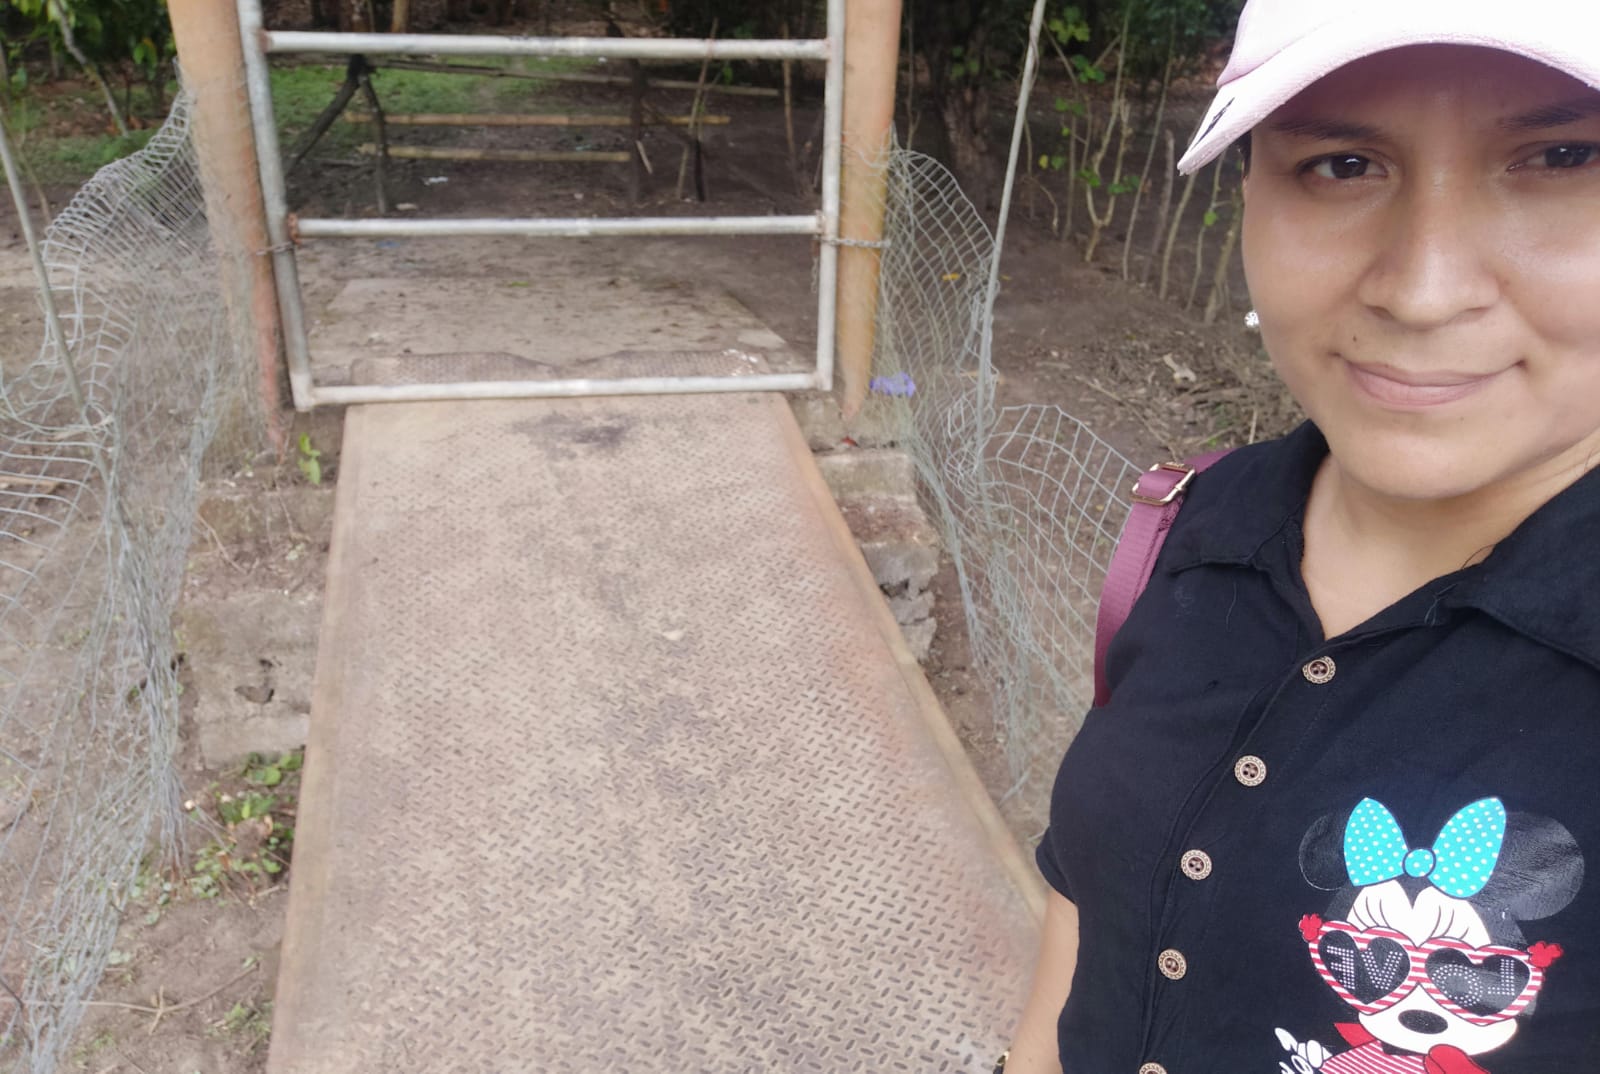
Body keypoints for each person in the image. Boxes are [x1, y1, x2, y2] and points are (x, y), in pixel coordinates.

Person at [1002, 2, 1600, 1072]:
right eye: (1341, 165)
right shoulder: (1195, 521)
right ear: (1247, 198)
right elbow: (1088, 899)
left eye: (1563, 157)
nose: (1422, 292)